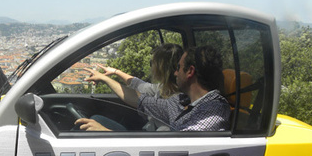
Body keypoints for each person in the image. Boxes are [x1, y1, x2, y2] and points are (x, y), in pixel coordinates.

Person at [76, 45, 231, 132]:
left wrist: (107, 133)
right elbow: (140, 99)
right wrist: (105, 78)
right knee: (95, 120)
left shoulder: (212, 110)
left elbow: (177, 149)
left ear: (190, 72)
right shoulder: (181, 101)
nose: (175, 72)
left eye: (179, 68)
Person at [81, 43, 183, 131]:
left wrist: (105, 131)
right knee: (96, 119)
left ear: (161, 68)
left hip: (147, 143)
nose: (151, 67)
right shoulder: (165, 88)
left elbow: (139, 100)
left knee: (92, 124)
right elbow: (140, 85)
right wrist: (116, 72)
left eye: (152, 63)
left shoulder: (176, 103)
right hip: (146, 133)